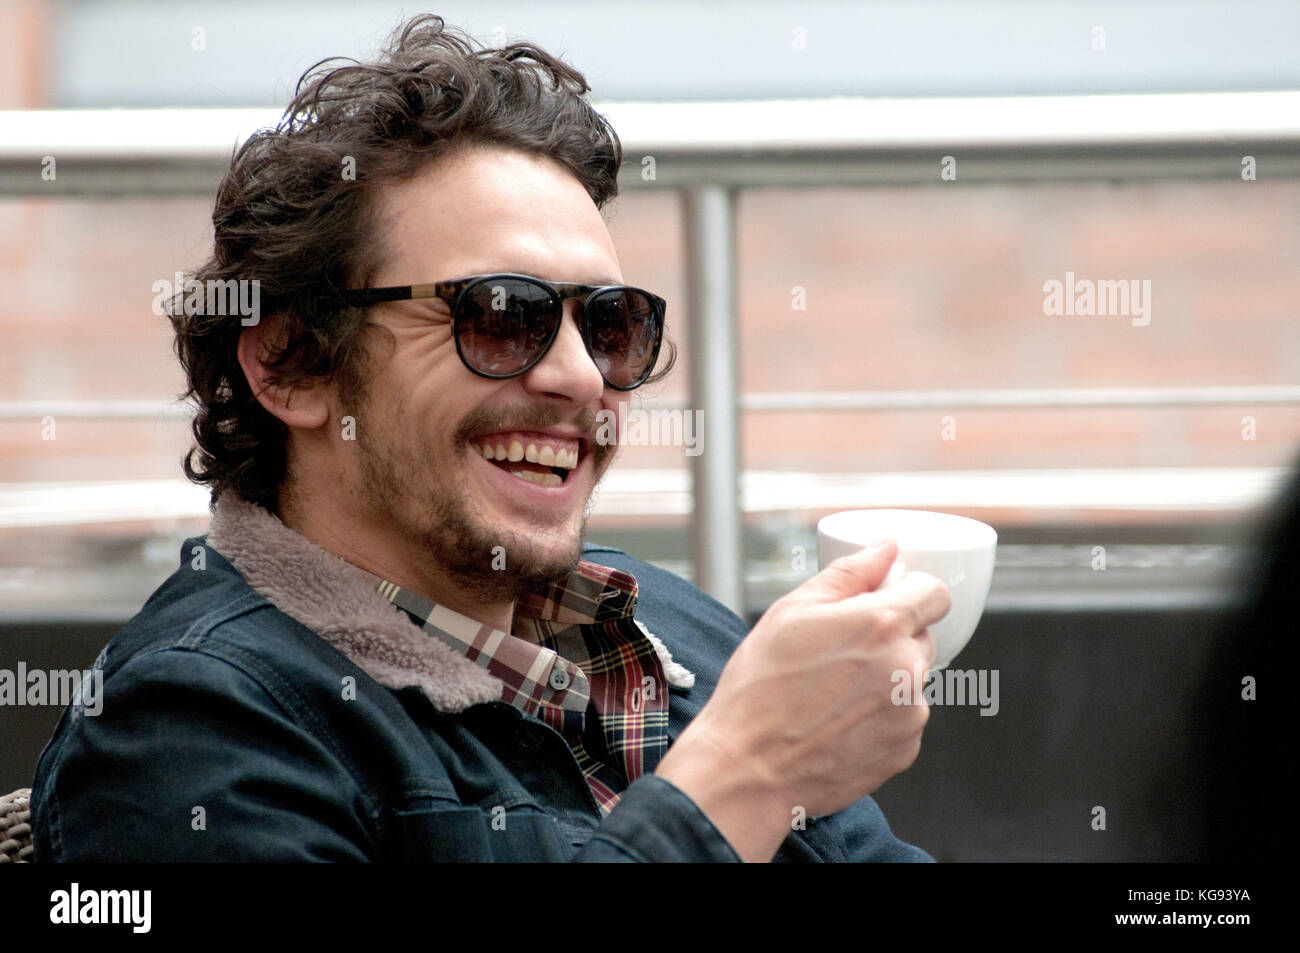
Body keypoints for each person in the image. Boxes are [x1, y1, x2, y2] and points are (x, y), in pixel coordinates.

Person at [31, 14, 947, 862]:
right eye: (503, 316)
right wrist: (743, 775)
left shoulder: (672, 630)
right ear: (291, 364)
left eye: (611, 324)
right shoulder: (191, 724)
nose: (581, 375)